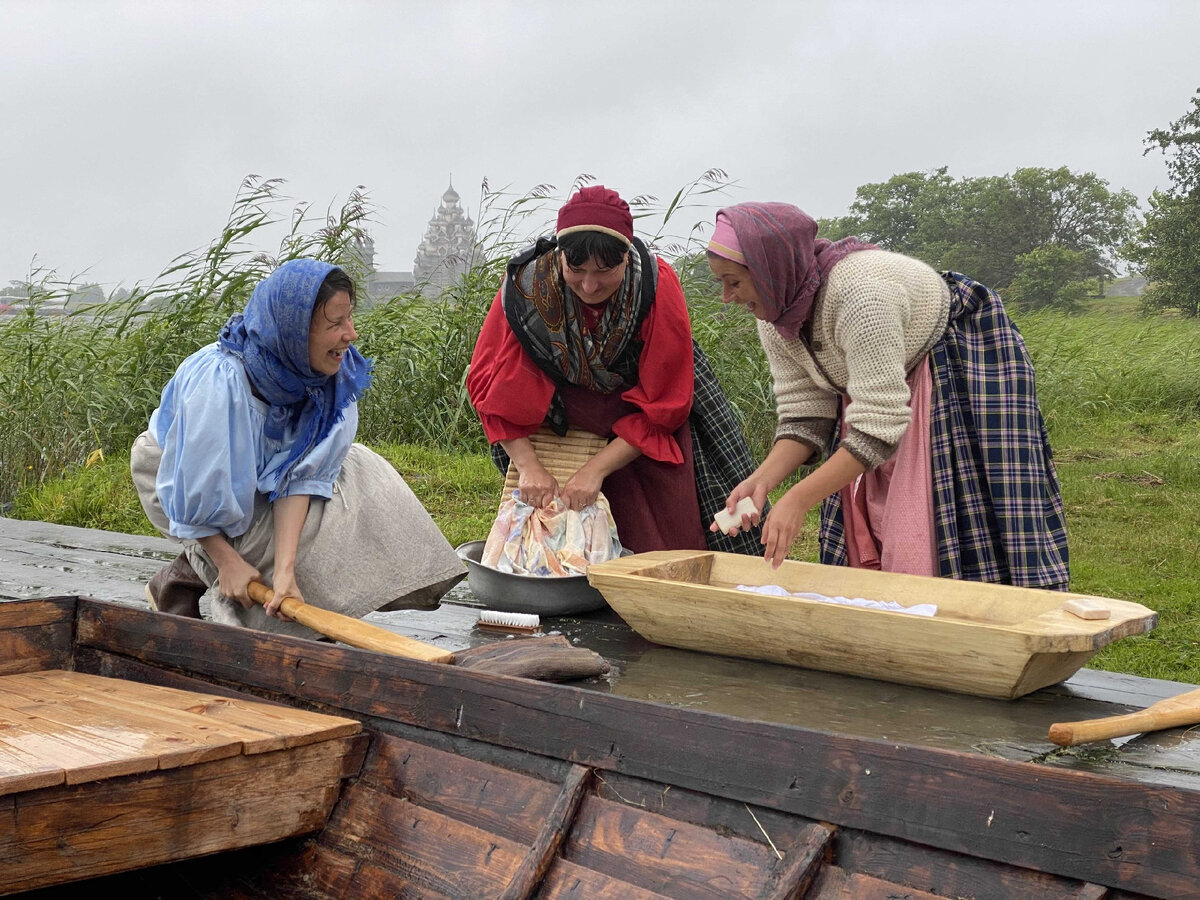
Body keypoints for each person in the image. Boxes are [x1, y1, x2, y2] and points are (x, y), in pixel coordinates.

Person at [707, 202, 1069, 589]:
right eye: (721, 284)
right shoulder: (776, 312)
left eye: (734, 282)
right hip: (880, 385)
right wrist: (761, 481)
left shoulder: (861, 297)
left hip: (952, 360)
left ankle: (988, 612)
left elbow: (879, 426)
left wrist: (797, 499)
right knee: (877, 513)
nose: (727, 297)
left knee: (958, 513)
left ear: (769, 270)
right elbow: (806, 413)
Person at [130, 258, 464, 637]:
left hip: (255, 477)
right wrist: (227, 561)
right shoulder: (221, 385)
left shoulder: (330, 378)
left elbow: (299, 477)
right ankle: (197, 578)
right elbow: (195, 490)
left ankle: (210, 576)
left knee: (360, 473)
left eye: (350, 319)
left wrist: (286, 572)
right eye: (335, 325)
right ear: (293, 332)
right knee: (252, 549)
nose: (350, 334)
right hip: (176, 477)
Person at [467, 185, 764, 555]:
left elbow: (664, 406)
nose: (589, 286)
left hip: (641, 410)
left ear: (626, 258)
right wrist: (529, 467)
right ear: (559, 258)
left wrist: (595, 470)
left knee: (662, 533)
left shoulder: (654, 286)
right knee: (553, 539)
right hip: (558, 417)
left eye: (604, 272)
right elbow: (489, 389)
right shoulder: (526, 291)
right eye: (576, 270)